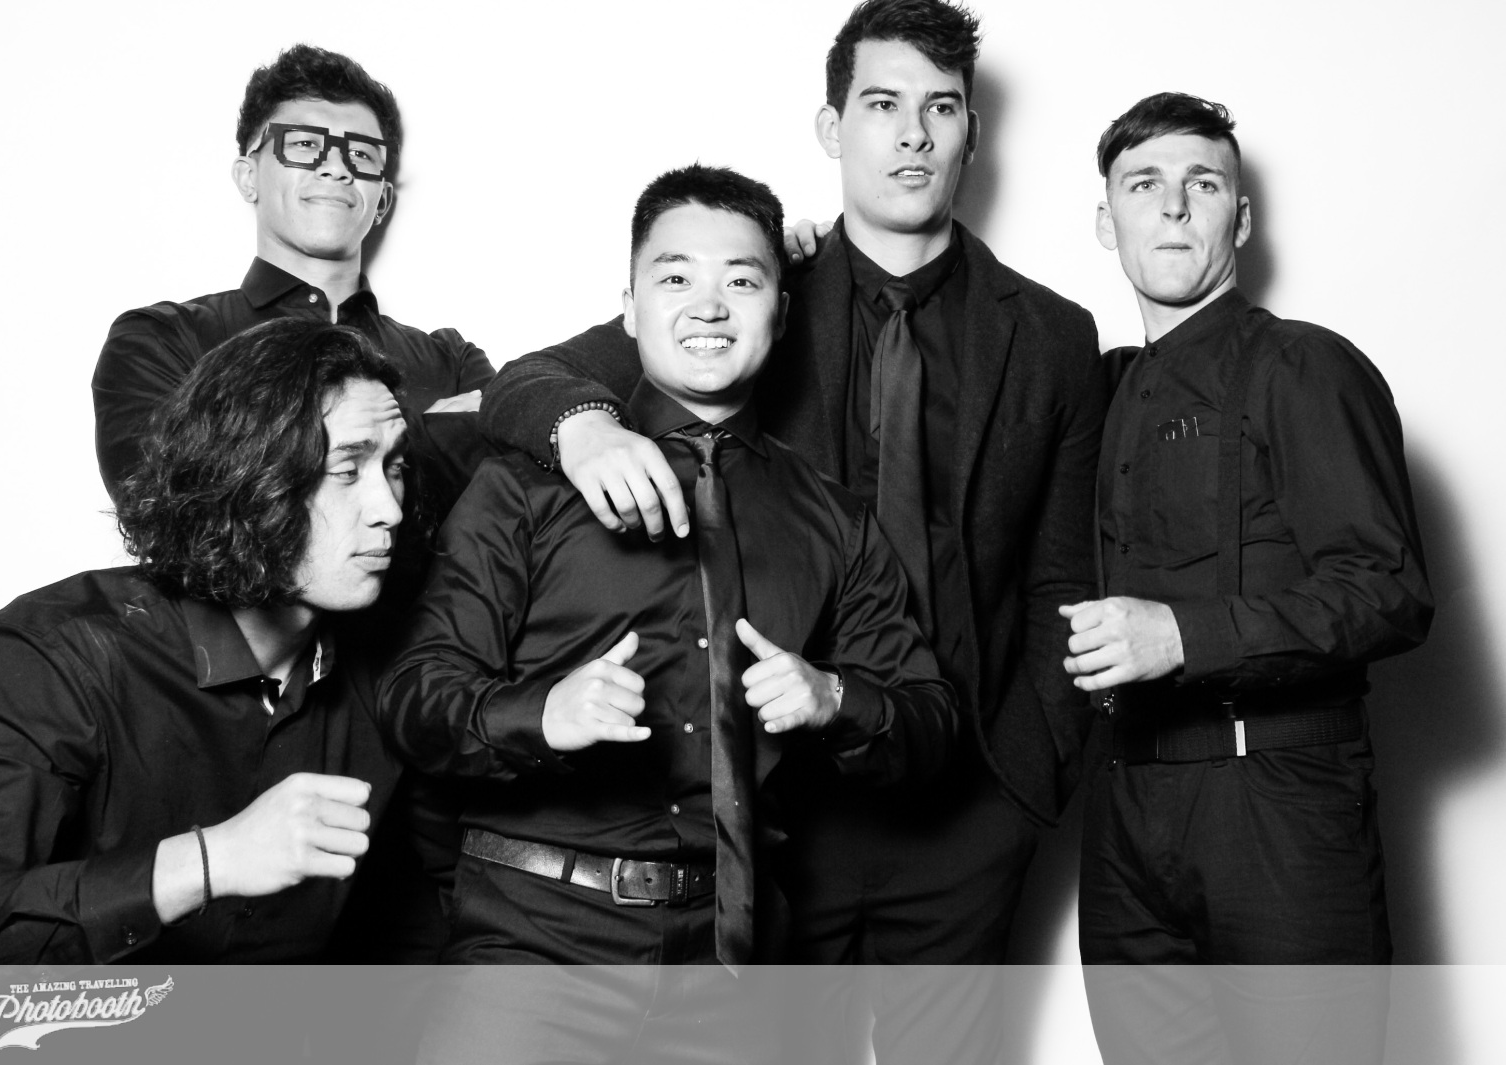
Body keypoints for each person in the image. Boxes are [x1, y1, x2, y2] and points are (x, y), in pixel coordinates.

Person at [477, 2, 1104, 1060]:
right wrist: (583, 427)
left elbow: (1060, 573)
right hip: (777, 813)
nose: (913, 134)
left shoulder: (1050, 334)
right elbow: (531, 378)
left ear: (970, 132)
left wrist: (1025, 783)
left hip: (966, 805)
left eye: (941, 108)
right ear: (831, 127)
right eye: (883, 104)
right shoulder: (756, 287)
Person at [379, 164, 957, 1065]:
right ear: (630, 306)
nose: (709, 306)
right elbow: (413, 694)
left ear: (782, 311)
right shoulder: (526, 483)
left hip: (735, 972)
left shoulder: (833, 519)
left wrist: (834, 697)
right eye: (676, 276)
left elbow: (931, 722)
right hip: (533, 951)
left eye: (742, 280)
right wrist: (540, 714)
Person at [1065, 92, 1434, 1063]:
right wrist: (815, 265)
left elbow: (1389, 589)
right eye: (1143, 185)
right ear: (1106, 221)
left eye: (1202, 184)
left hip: (1276, 804)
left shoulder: (1306, 366)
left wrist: (1182, 636)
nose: (1172, 206)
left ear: (1241, 218)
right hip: (1123, 814)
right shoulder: (1099, 389)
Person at [0, 318, 417, 963]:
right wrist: (206, 861)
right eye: (348, 469)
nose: (389, 508)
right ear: (248, 476)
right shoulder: (48, 658)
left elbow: (420, 920)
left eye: (395, 467)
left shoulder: (396, 671)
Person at [91, 43, 493, 514]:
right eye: (304, 145)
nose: (336, 167)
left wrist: (264, 453)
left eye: (361, 154)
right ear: (248, 178)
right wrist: (426, 437)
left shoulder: (452, 362)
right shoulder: (162, 341)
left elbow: (509, 506)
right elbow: (167, 508)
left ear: (382, 200)